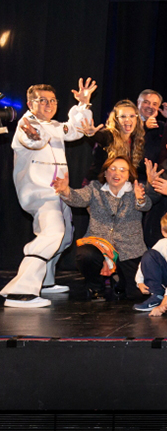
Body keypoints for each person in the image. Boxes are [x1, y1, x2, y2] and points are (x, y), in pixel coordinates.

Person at [1, 78, 97, 308]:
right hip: (39, 192)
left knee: (64, 237)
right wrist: (36, 135)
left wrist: (83, 105)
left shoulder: (53, 125)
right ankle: (20, 290)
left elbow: (75, 131)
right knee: (53, 233)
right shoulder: (27, 125)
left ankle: (45, 280)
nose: (48, 105)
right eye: (42, 100)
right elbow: (33, 140)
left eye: (52, 101)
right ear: (30, 102)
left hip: (58, 191)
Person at [54, 157, 151, 301]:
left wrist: (140, 198)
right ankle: (96, 287)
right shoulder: (95, 188)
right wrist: (66, 191)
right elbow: (78, 198)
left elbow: (145, 205)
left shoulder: (135, 190)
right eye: (112, 169)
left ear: (129, 175)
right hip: (99, 244)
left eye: (123, 170)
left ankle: (119, 282)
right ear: (105, 173)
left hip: (130, 249)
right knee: (86, 255)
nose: (117, 173)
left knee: (136, 294)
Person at [84, 99, 146, 182]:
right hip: (98, 184)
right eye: (123, 116)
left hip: (121, 185)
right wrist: (91, 134)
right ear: (116, 120)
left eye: (132, 116)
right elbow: (99, 136)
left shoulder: (136, 139)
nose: (128, 120)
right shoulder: (109, 135)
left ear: (137, 119)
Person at [136, 89, 167, 173]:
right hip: (132, 176)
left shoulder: (161, 126)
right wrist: (144, 127)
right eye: (146, 102)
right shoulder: (129, 122)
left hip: (155, 176)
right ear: (138, 103)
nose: (150, 106)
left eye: (155, 104)